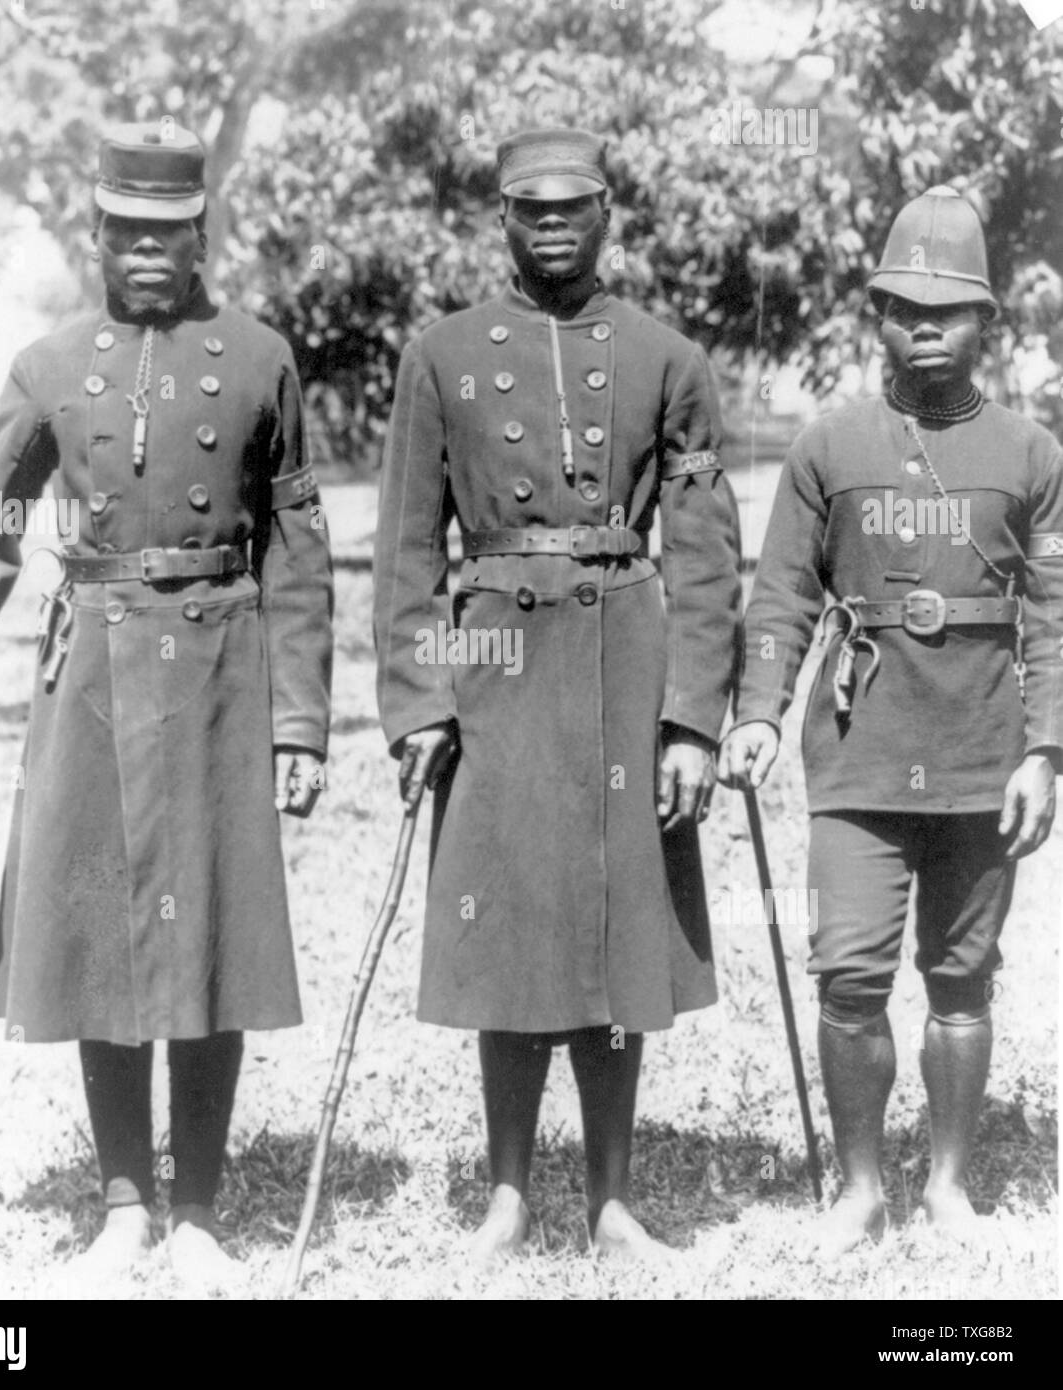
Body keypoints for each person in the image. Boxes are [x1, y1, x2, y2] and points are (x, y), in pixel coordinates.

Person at [0, 123, 334, 1290]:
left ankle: (199, 1212)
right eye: (126, 232)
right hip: (91, 675)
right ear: (96, 234)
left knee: (213, 936)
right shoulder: (49, 365)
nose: (147, 252)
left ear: (199, 237)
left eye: (168, 234)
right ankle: (125, 1202)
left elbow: (297, 542)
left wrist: (299, 718)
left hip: (223, 671)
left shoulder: (258, 357)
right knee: (102, 943)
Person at [373, 127, 742, 1263]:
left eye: (571, 208)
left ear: (606, 217)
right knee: (507, 923)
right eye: (529, 209)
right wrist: (419, 700)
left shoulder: (668, 356)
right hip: (493, 662)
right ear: (501, 221)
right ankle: (507, 1195)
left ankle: (615, 1201)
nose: (550, 226)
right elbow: (402, 546)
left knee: (619, 926)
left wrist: (691, 718)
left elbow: (709, 547)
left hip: (623, 659)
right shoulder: (440, 353)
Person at [719, 186, 1063, 1257]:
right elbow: (778, 591)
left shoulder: (1033, 453)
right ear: (876, 313)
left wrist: (1047, 749)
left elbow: (1055, 613)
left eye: (948, 307)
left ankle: (948, 1186)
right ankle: (862, 1186)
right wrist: (761, 712)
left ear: (986, 323)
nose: (925, 323)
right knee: (851, 969)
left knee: (962, 974)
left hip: (981, 750)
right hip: (859, 745)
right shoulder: (830, 442)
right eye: (903, 304)